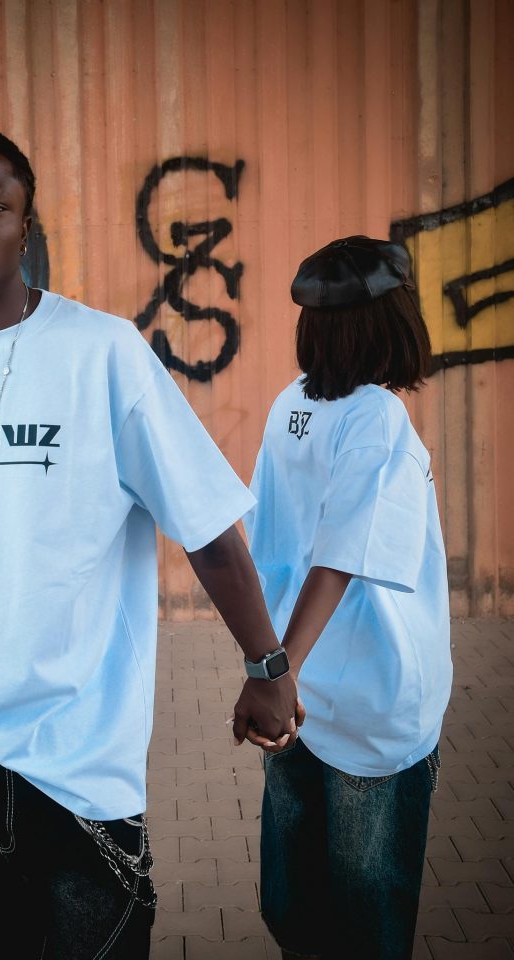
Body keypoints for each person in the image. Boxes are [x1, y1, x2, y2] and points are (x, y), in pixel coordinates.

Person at [0, 123, 299, 959]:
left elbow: (209, 532)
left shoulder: (103, 355)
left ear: (26, 226)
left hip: (81, 760)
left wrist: (267, 666)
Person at [244, 236, 453, 960]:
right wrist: (278, 671)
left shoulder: (289, 405)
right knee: (366, 922)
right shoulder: (377, 418)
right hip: (366, 703)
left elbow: (259, 534)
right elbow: (338, 559)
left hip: (298, 705)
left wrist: (270, 666)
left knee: (297, 904)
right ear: (391, 322)